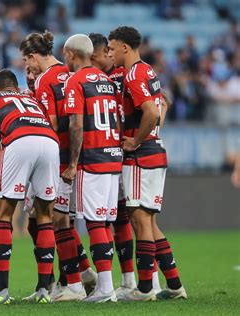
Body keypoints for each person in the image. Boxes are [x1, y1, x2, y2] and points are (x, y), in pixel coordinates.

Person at [108, 26, 187, 301]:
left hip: (142, 155)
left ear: (125, 48)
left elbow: (152, 111)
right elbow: (161, 105)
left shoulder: (132, 75)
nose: (110, 52)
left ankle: (143, 290)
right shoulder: (147, 70)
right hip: (156, 151)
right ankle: (175, 285)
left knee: (139, 220)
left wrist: (135, 141)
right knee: (149, 222)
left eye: (112, 47)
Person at [20, 30, 95, 301]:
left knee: (55, 220)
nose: (25, 67)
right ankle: (75, 274)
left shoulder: (44, 80)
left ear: (31, 56)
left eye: (25, 61)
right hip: (80, 153)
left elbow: (50, 123)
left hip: (55, 158)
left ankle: (73, 282)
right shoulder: (70, 72)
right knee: (46, 219)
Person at [0, 69, 60, 305]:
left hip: (20, 140)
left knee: (3, 216)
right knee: (45, 216)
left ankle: (1, 292)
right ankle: (44, 290)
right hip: (49, 142)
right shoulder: (31, 98)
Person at [61, 34, 122, 303]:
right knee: (106, 221)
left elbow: (76, 124)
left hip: (93, 157)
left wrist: (73, 163)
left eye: (65, 55)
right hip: (113, 155)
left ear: (72, 54)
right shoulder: (107, 81)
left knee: (95, 221)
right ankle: (107, 285)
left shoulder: (75, 81)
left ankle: (106, 289)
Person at [88, 32, 138, 298]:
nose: (109, 54)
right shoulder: (110, 78)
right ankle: (128, 281)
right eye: (106, 50)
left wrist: (142, 137)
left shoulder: (124, 75)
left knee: (121, 218)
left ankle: (131, 280)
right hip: (114, 153)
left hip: (117, 154)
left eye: (111, 50)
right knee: (116, 218)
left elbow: (160, 101)